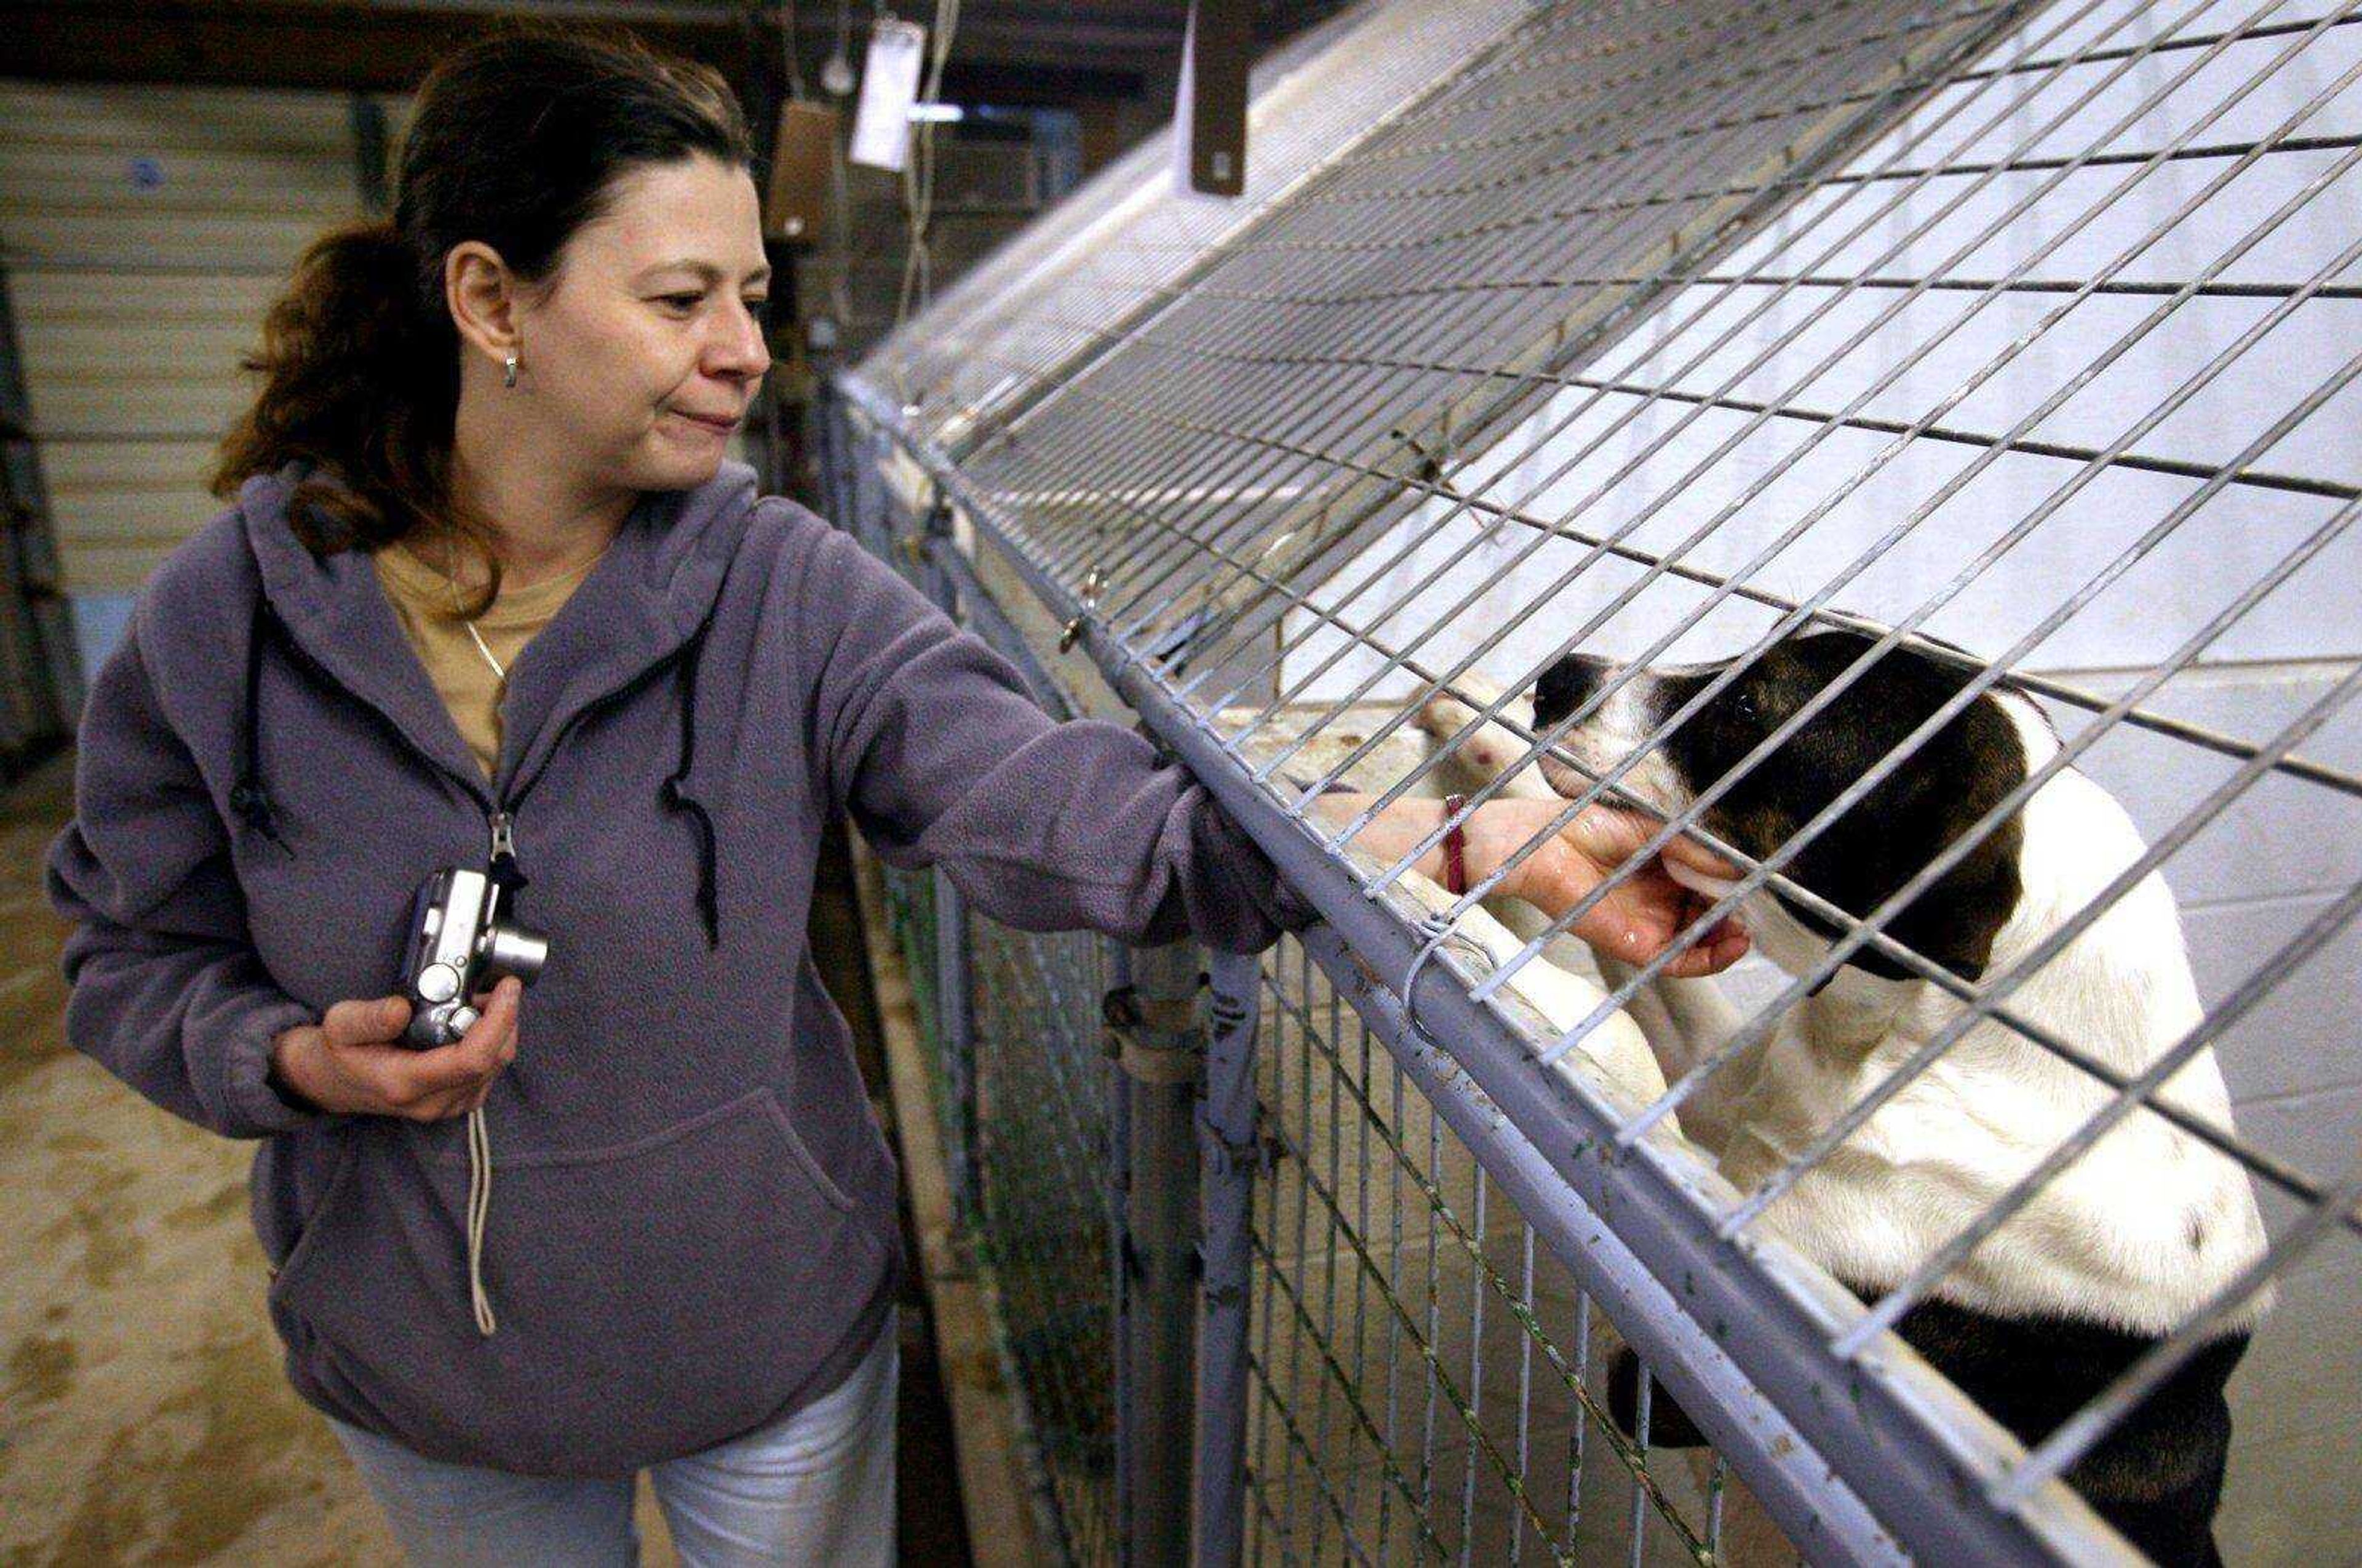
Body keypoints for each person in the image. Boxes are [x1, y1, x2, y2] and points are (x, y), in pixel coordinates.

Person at [42, 28, 1748, 1567]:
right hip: (431, 1366)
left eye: (754, 297)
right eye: (675, 301)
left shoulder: (782, 586)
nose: (739, 353)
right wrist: (279, 1061)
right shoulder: (227, 625)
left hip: (766, 1344)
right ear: (490, 303)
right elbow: (125, 951)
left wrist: (1445, 845)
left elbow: (1054, 801)